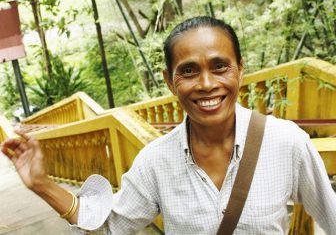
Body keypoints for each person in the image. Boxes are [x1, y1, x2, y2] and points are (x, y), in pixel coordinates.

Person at [1, 16, 336, 234]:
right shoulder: (156, 162)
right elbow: (110, 227)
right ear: (169, 81)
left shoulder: (286, 142)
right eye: (188, 71)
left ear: (240, 70)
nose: (206, 84)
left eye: (220, 66)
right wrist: (43, 185)